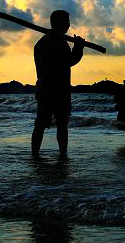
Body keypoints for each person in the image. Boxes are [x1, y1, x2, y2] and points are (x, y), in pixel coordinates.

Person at [31, 10, 85, 159]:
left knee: (41, 124)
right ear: (59, 24)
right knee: (59, 125)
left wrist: (77, 48)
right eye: (66, 22)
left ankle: (35, 155)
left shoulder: (42, 43)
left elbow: (66, 61)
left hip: (45, 90)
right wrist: (79, 48)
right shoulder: (57, 43)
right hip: (56, 91)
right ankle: (62, 155)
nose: (69, 25)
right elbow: (69, 61)